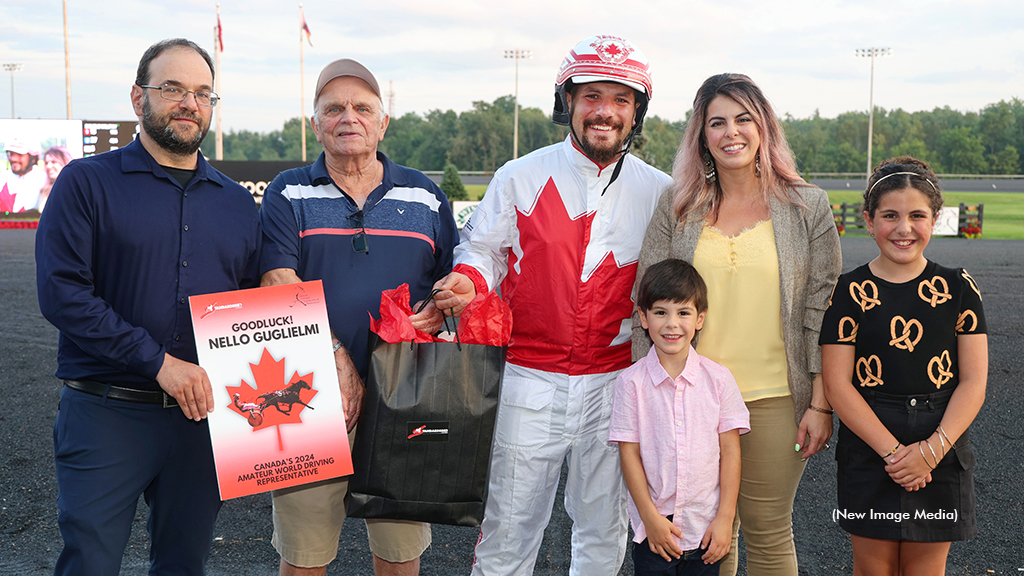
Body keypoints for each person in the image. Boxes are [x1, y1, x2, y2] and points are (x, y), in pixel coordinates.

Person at [432, 35, 672, 575]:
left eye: (620, 99)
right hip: (527, 380)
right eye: (591, 96)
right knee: (509, 531)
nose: (604, 111)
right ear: (567, 100)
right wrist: (469, 280)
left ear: (637, 112)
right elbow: (482, 250)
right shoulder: (519, 175)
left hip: (617, 384)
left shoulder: (662, 191)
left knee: (603, 531)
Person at [35, 38, 260, 575]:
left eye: (203, 93)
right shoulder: (86, 182)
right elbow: (63, 292)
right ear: (138, 99)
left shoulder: (236, 202)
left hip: (203, 420)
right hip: (105, 411)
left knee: (184, 565)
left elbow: (255, 309)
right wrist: (160, 363)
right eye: (172, 88)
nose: (189, 103)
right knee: (89, 563)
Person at [633, 73, 842, 576]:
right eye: (717, 122)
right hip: (691, 401)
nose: (732, 132)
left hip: (774, 397)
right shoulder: (678, 207)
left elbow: (824, 309)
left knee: (769, 532)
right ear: (701, 136)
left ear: (763, 127)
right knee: (708, 537)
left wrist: (820, 401)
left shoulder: (806, 205)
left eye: (743, 119)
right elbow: (647, 299)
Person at [259, 58, 458, 576]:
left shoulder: (426, 195)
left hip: (406, 397)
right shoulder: (287, 191)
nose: (349, 117)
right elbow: (277, 282)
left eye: (362, 107)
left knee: (399, 555)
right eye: (334, 108)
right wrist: (332, 355)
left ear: (383, 122)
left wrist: (440, 308)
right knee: (303, 556)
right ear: (316, 124)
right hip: (304, 396)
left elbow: (453, 281)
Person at [820, 157, 986, 575]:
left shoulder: (959, 288)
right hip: (871, 441)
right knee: (873, 569)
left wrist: (929, 453)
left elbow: (974, 381)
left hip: (940, 444)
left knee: (925, 570)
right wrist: (895, 454)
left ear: (935, 218)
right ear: (869, 219)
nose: (903, 228)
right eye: (890, 215)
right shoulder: (848, 290)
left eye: (917, 216)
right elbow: (839, 384)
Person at [609, 259, 749, 576]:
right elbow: (628, 453)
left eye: (683, 312)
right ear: (643, 317)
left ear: (699, 319)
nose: (672, 323)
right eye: (661, 312)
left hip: (707, 529)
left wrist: (725, 518)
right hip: (655, 532)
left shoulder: (719, 380)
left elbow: (730, 451)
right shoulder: (630, 383)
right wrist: (649, 518)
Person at [4, 138, 46, 212]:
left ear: (33, 158)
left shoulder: (43, 180)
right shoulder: (3, 177)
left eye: (19, 155)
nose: (13, 159)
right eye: (11, 154)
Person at [38, 145, 73, 212]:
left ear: (65, 162)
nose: (48, 166)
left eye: (53, 162)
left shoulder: (72, 190)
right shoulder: (44, 189)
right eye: (47, 163)